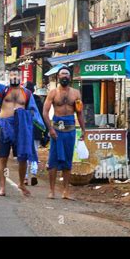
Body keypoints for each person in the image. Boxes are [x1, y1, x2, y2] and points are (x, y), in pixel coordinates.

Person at [0, 53, 45, 197]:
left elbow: (33, 112)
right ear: (9, 77)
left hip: (20, 129)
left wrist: (25, 116)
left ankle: (21, 183)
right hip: (5, 127)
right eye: (12, 75)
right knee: (2, 158)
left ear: (21, 78)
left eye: (17, 75)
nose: (14, 77)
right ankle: (2, 187)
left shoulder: (27, 94)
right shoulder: (3, 90)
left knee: (22, 158)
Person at [42, 67, 86, 200]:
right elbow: (45, 112)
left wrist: (84, 129)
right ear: (58, 77)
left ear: (70, 77)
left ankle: (66, 191)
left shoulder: (76, 93)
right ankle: (51, 191)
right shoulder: (53, 93)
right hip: (56, 130)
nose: (65, 77)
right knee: (53, 161)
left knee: (67, 161)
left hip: (70, 131)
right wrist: (50, 129)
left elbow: (79, 112)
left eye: (67, 74)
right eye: (62, 74)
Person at [24, 81, 49, 186]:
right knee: (34, 152)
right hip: (37, 131)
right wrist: (46, 132)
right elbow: (44, 118)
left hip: (25, 130)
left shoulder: (23, 101)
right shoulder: (39, 102)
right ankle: (33, 173)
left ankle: (25, 177)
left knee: (25, 154)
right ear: (34, 90)